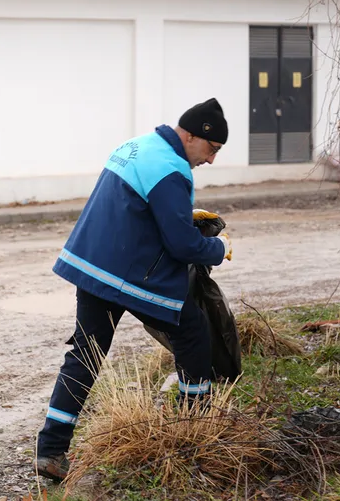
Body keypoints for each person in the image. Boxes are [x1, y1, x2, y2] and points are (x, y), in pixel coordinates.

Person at [34, 98, 233, 482]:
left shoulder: (136, 146)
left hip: (92, 266)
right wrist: (218, 248)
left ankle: (51, 449)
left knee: (86, 355)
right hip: (129, 275)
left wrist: (177, 216)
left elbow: (130, 207)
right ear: (190, 136)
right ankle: (197, 432)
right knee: (193, 331)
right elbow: (182, 247)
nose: (210, 160)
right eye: (211, 149)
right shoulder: (172, 169)